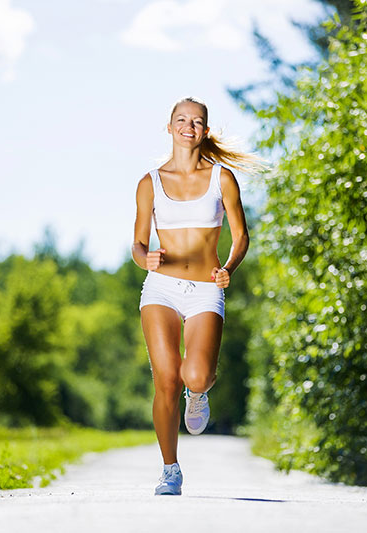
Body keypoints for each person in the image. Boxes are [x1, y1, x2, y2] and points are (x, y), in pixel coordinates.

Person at [132, 96, 262, 496]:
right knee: (165, 380)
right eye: (181, 120)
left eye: (197, 121)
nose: (189, 126)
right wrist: (145, 258)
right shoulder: (149, 183)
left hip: (206, 287)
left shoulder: (222, 178)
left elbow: (241, 237)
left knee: (195, 375)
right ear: (169, 127)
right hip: (161, 289)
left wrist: (229, 269)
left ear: (205, 130)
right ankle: (170, 469)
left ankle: (199, 392)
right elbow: (137, 244)